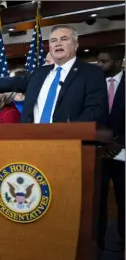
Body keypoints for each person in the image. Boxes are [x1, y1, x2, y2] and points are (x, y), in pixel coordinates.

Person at [0, 24, 108, 124]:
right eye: (53, 40)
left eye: (64, 39)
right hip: (31, 143)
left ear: (76, 44)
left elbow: (95, 111)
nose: (58, 43)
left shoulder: (91, 73)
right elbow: (11, 82)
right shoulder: (40, 73)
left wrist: (65, 131)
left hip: (68, 145)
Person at [96, 48, 125, 257]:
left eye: (103, 62)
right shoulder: (94, 85)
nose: (99, 65)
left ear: (116, 63)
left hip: (123, 153)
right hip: (98, 153)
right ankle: (98, 243)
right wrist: (102, 142)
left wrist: (119, 144)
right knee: (98, 199)